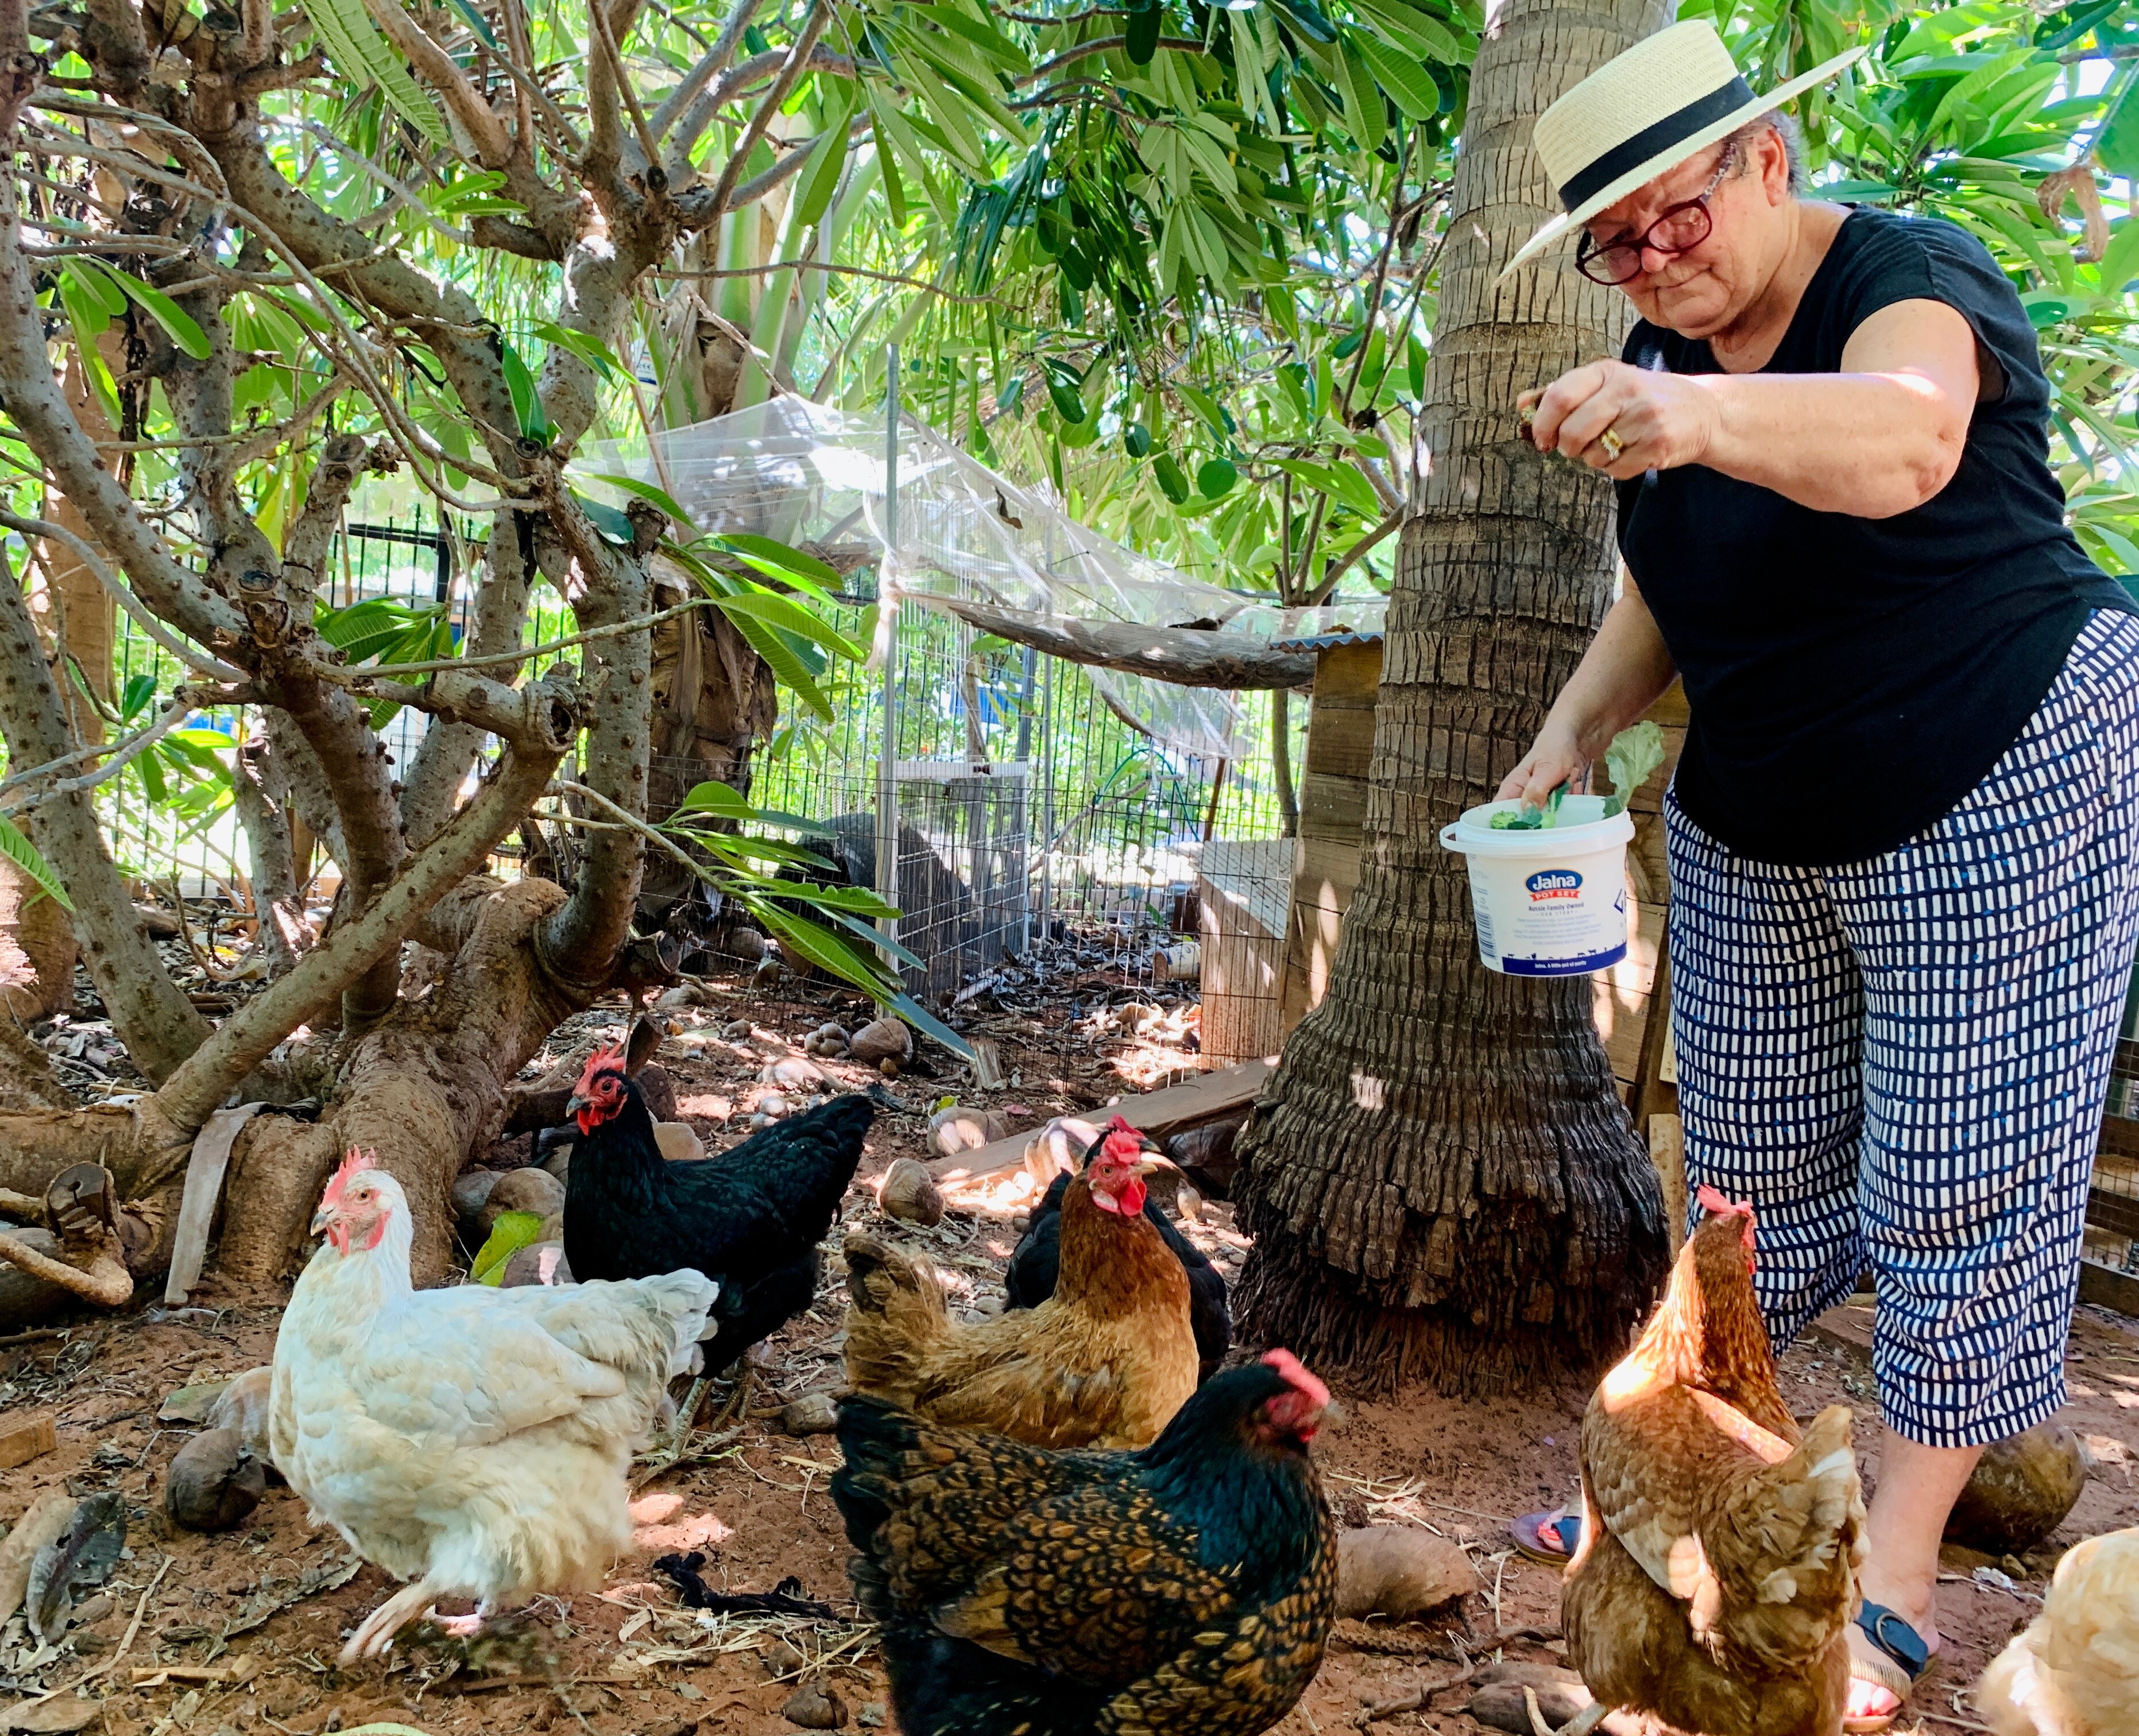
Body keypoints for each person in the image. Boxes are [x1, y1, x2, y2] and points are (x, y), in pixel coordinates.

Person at [1491, 22, 2139, 1727]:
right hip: (1764, 805)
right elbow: (1665, 582)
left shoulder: (1910, 280)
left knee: (1959, 1178)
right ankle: (1689, 1500)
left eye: (1678, 215)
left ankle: (1895, 1577)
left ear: (1766, 160)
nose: (1653, 260)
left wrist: (1694, 411)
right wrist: (1570, 735)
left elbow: (1909, 442)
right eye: (1615, 245)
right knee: (1742, 1191)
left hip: (1994, 764)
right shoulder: (1664, 348)